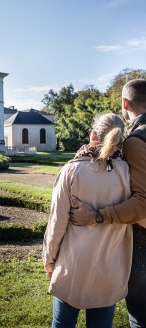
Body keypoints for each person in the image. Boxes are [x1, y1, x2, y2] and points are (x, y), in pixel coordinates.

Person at [43, 112, 132, 328]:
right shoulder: (128, 173)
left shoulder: (72, 170)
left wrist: (49, 260)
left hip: (72, 268)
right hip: (110, 270)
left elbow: (57, 224)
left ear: (93, 134)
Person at [70, 79, 146, 328]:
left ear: (125, 104)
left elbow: (142, 203)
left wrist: (98, 216)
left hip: (143, 243)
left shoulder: (136, 140)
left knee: (140, 315)